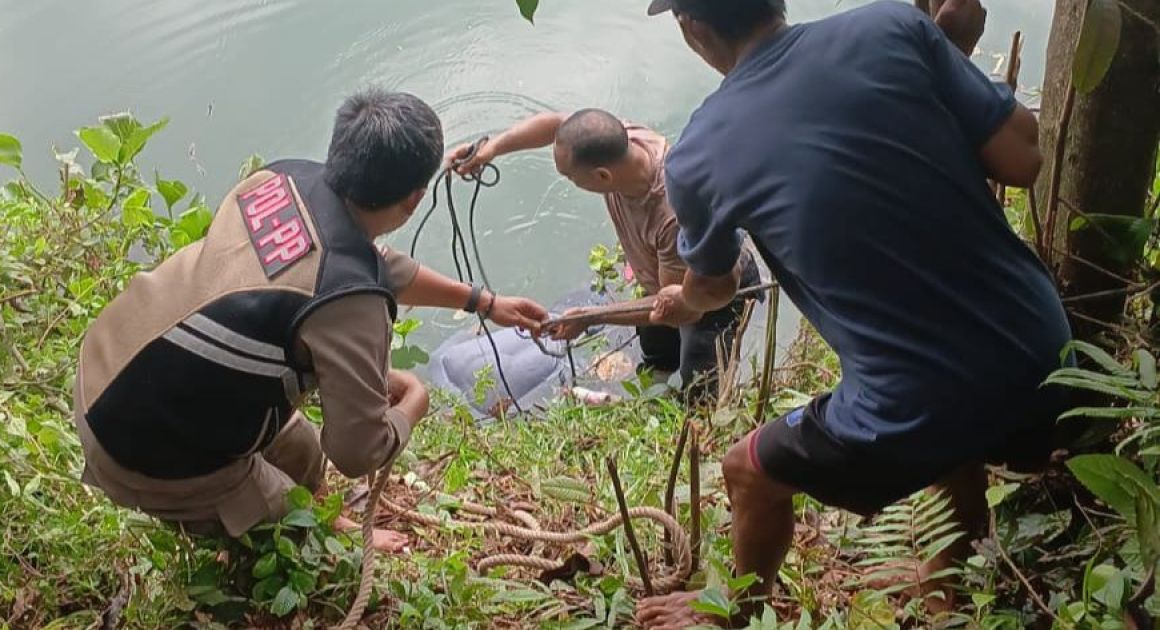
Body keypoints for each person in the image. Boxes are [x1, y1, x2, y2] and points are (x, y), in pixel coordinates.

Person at [637, 0, 1070, 626]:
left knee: (749, 470)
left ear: (693, 30)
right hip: (1044, 355)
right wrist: (949, 54)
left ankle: (732, 607)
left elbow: (714, 290)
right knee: (943, 393)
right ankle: (946, 579)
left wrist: (680, 301)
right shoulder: (892, 26)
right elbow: (1022, 161)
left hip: (921, 401)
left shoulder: (697, 153)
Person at [72, 89, 548, 550]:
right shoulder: (349, 301)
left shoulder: (281, 181)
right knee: (285, 526)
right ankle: (316, 530)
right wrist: (415, 404)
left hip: (109, 359)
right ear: (415, 198)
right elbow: (358, 452)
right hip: (132, 443)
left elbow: (377, 266)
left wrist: (483, 302)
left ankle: (319, 507)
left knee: (299, 449)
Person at [447, 110, 762, 402]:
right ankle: (657, 397)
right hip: (662, 284)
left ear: (602, 177)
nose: (571, 181)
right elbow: (557, 127)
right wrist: (493, 148)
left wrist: (589, 317)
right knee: (656, 353)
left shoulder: (670, 216)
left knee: (700, 384)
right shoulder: (620, 140)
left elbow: (679, 309)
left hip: (708, 294)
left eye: (572, 177)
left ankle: (692, 431)